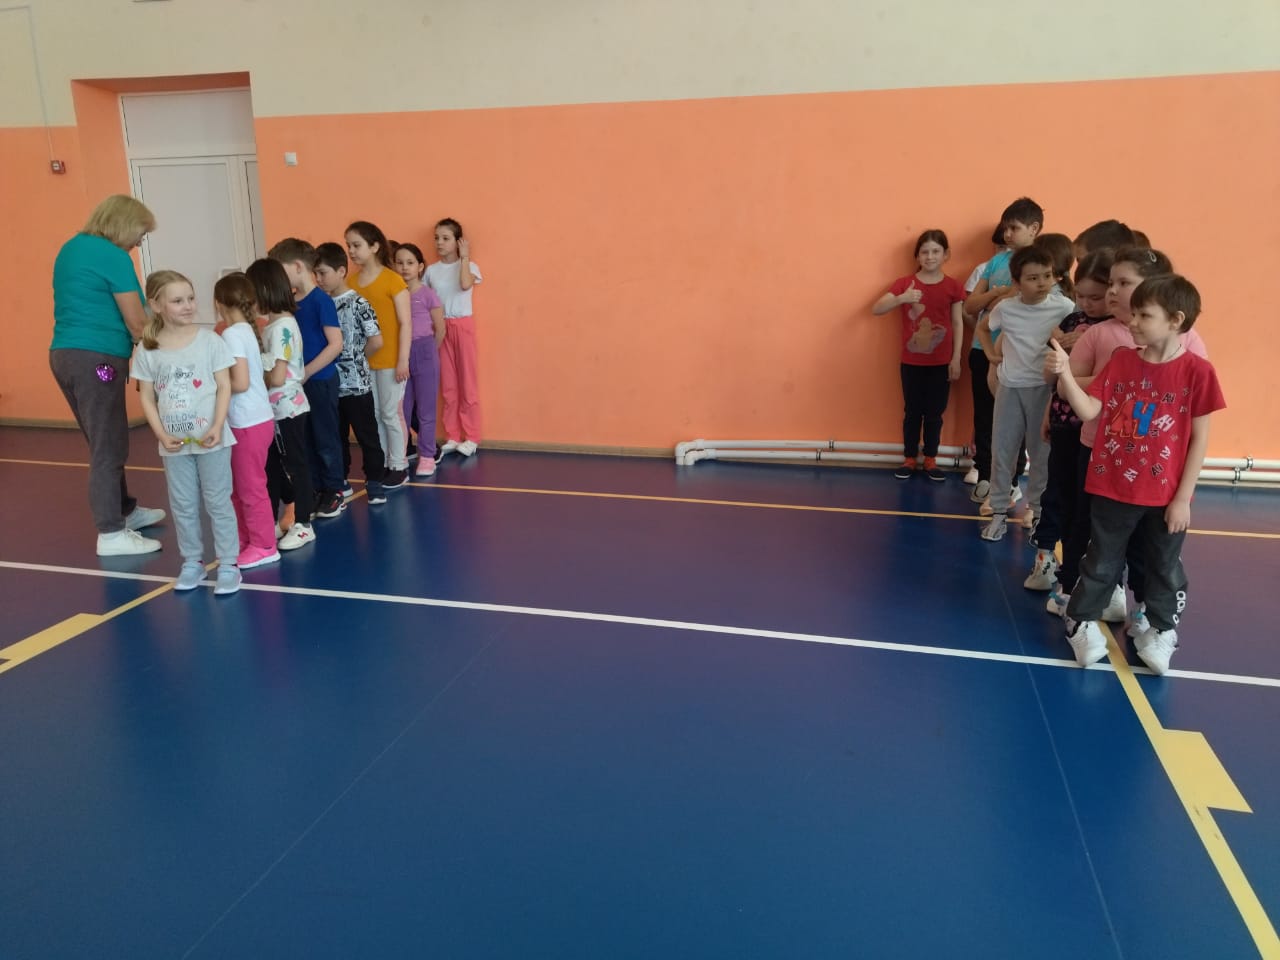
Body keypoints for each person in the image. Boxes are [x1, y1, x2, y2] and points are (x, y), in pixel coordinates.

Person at [1046, 275, 1225, 673]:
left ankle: (1161, 629)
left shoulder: (1197, 372)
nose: (1133, 322)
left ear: (1175, 320)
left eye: (1145, 315)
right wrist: (1065, 375)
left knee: (1164, 565)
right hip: (1111, 487)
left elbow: (1199, 439)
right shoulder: (1122, 361)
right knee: (1101, 561)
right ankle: (1081, 622)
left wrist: (1182, 498)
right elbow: (1090, 411)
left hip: (1165, 495)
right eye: (1135, 314)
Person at [49, 195, 167, 556]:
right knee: (109, 445)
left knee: (103, 440)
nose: (139, 243)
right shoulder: (112, 255)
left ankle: (124, 510)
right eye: (140, 234)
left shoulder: (72, 248)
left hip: (65, 355)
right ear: (124, 225)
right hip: (96, 359)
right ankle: (111, 533)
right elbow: (136, 323)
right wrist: (169, 353)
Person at [131, 270, 240, 595]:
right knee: (183, 505)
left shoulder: (211, 341)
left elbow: (224, 386)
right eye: (178, 301)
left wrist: (217, 425)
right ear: (157, 305)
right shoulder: (148, 348)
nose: (188, 305)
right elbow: (146, 397)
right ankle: (192, 561)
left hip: (212, 440)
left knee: (218, 501)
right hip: (174, 445)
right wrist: (161, 435)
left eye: (190, 298)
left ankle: (229, 563)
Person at [1028, 250, 1114, 598]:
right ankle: (1045, 556)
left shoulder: (1116, 330)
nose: (1087, 304)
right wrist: (1050, 408)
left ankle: (1084, 572)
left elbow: (1110, 382)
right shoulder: (1071, 321)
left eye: (1096, 297)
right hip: (1065, 420)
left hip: (1094, 428)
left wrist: (1070, 377)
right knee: (1055, 492)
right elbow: (1052, 376)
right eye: (1081, 295)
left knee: (1085, 505)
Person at [976, 244, 1074, 542]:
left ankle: (1037, 512)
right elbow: (983, 328)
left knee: (1041, 454)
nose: (1042, 283)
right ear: (1017, 282)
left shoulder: (1064, 307)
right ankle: (999, 513)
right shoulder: (1006, 308)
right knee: (1003, 450)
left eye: (1047, 276)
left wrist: (1067, 345)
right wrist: (991, 355)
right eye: (1033, 278)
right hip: (1010, 388)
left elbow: (1080, 336)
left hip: (1044, 389)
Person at [962, 198, 1044, 504]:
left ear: (1033, 228)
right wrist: (999, 293)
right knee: (985, 417)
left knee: (1016, 420)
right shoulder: (996, 263)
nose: (1007, 234)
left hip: (1019, 354)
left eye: (1014, 228)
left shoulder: (1041, 264)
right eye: (1005, 228)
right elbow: (971, 305)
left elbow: (1030, 302)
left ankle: (1011, 480)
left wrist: (1000, 298)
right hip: (982, 349)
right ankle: (985, 475)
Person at [871, 229, 964, 480]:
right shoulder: (905, 284)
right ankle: (909, 458)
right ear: (917, 256)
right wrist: (902, 298)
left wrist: (956, 358)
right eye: (924, 252)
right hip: (911, 362)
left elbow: (958, 323)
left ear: (946, 254)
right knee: (912, 412)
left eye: (935, 251)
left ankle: (931, 459)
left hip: (941, 363)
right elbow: (877, 309)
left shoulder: (953, 286)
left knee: (935, 413)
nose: (930, 256)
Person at [269, 238, 346, 520]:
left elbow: (335, 344)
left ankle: (334, 489)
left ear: (298, 267)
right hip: (297, 386)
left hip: (320, 380)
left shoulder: (321, 300)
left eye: (282, 270)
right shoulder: (288, 303)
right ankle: (313, 488)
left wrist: (309, 371)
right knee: (305, 439)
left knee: (326, 437)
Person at [247, 258, 317, 552]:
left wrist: (252, 374)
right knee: (274, 465)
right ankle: (278, 520)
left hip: (289, 407)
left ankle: (304, 524)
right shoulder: (272, 325)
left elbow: (277, 377)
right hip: (275, 409)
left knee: (297, 465)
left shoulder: (283, 326)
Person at [213, 273, 280, 569]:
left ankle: (264, 545)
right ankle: (245, 540)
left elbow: (239, 383)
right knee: (240, 488)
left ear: (218, 304)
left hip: (248, 422)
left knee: (250, 488)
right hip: (252, 420)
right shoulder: (244, 331)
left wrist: (211, 383)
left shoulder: (232, 334)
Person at [314, 242, 389, 503]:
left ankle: (375, 480)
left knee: (367, 435)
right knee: (336, 437)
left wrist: (356, 358)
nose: (319, 279)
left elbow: (376, 340)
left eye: (323, 273)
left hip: (357, 385)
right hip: (330, 384)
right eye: (316, 273)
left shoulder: (359, 303)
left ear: (341, 271)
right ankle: (340, 480)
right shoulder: (320, 303)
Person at [346, 221, 412, 486]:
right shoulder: (351, 283)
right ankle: (383, 462)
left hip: (390, 361)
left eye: (357, 245)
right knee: (373, 415)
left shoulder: (393, 280)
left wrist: (402, 360)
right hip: (365, 362)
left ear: (374, 247)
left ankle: (399, 464)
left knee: (390, 413)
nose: (351, 251)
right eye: (349, 246)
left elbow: (405, 323)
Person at [427, 218, 484, 458]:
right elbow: (426, 300)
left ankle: (471, 436)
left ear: (458, 241)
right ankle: (452, 434)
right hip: (441, 327)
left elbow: (464, 284)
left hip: (462, 325)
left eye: (445, 238)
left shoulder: (469, 266)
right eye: (437, 238)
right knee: (448, 385)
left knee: (467, 383)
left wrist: (465, 256)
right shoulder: (431, 271)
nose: (439, 243)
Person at [393, 242, 447, 478]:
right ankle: (400, 455)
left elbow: (440, 329)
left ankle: (427, 455)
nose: (404, 267)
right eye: (400, 263)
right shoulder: (395, 295)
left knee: (426, 409)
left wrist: (428, 352)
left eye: (410, 263)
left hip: (425, 352)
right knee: (402, 409)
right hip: (401, 355)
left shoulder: (427, 294)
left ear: (420, 267)